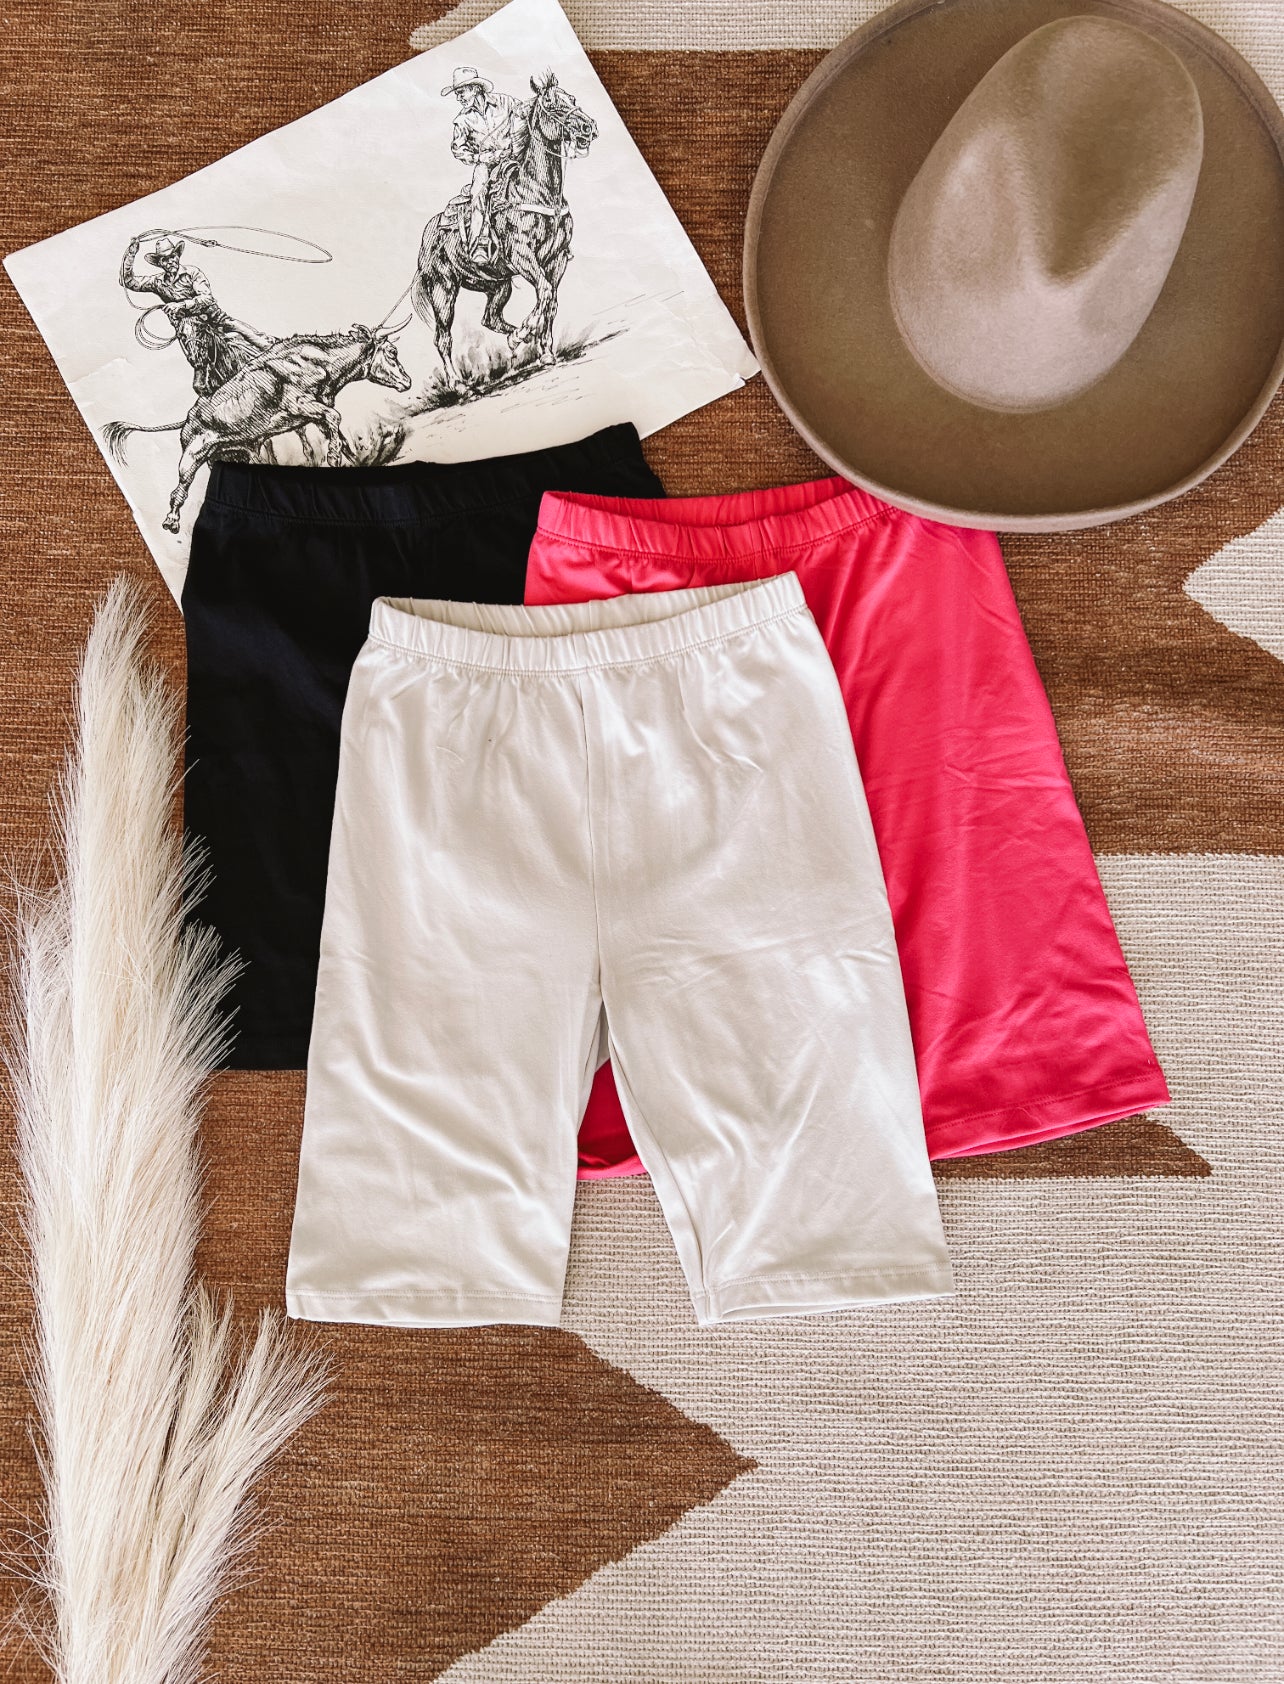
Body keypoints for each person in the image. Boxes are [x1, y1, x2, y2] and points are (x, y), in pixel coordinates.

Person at [118, 231, 275, 396]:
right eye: (165, 259)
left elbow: (206, 298)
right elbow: (127, 281)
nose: (170, 261)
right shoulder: (157, 282)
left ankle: (268, 346)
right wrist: (131, 254)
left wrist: (182, 305)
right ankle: (201, 371)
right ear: (160, 263)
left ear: (177, 256)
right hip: (187, 326)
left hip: (211, 317)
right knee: (191, 341)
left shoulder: (193, 273)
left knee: (234, 325)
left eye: (172, 256)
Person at [441, 67, 529, 260]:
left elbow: (527, 115)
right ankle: (479, 243)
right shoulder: (462, 120)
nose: (458, 98)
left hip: (517, 157)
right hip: (487, 165)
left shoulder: (506, 102)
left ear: (474, 88)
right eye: (457, 94)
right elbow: (458, 149)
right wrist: (479, 158)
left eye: (461, 92)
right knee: (478, 192)